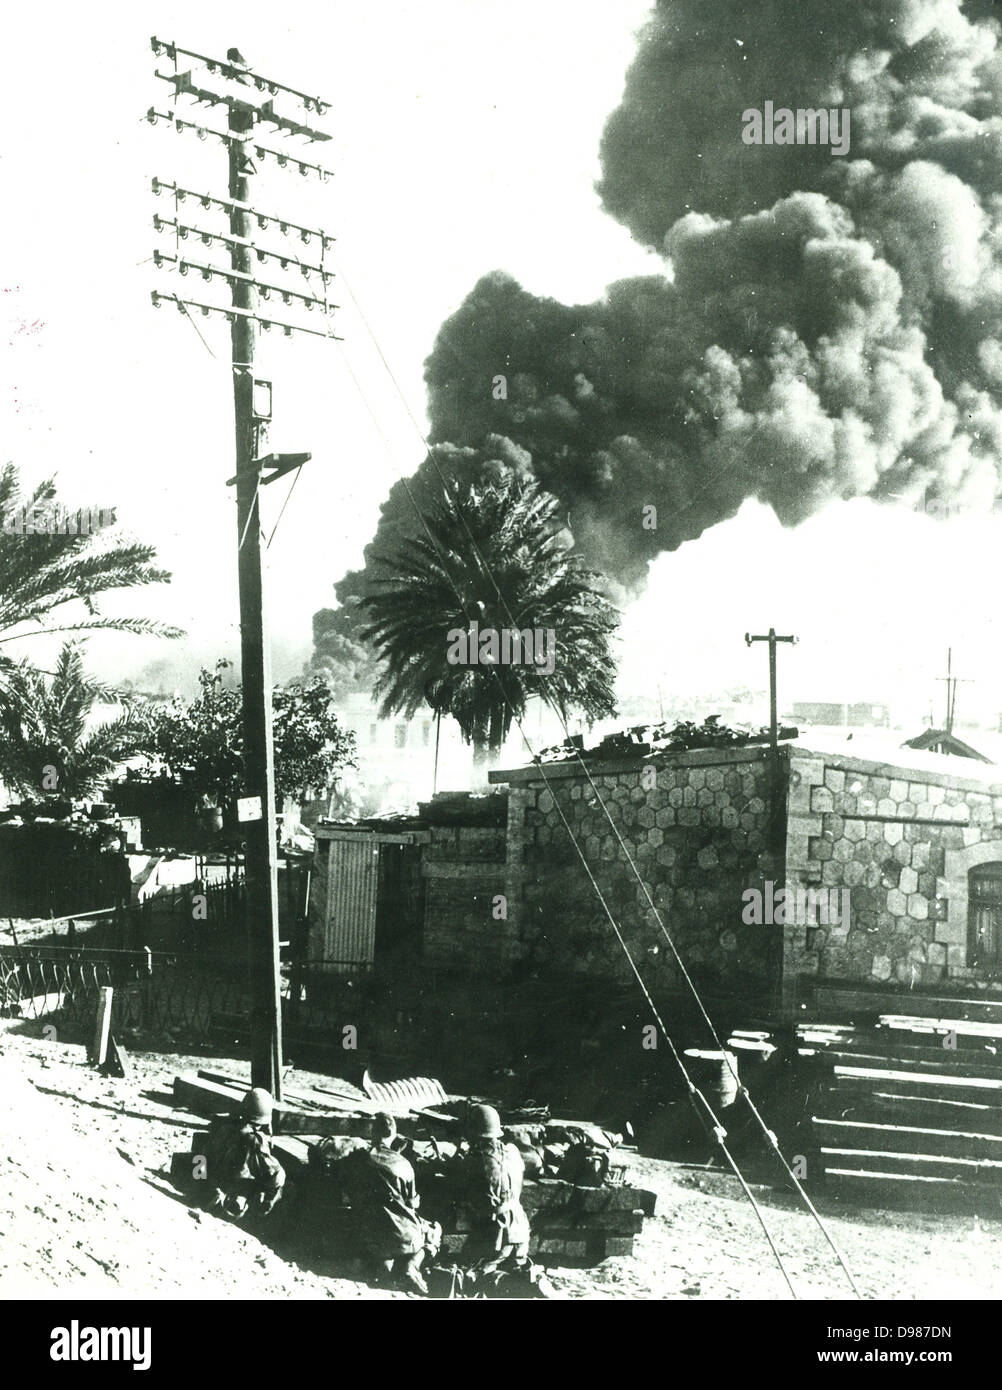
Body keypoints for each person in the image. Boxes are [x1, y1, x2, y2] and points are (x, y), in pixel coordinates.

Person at [348, 1112, 432, 1293]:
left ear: (372, 1133)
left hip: (370, 1235)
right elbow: (412, 1204)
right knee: (433, 1230)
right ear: (393, 1133)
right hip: (402, 1238)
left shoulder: (357, 1160)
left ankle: (382, 1267)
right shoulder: (404, 1164)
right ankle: (411, 1264)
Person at [458, 1103, 531, 1269]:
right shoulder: (512, 1151)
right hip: (520, 1231)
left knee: (465, 1272)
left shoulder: (475, 1160)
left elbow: (457, 1179)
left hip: (496, 1236)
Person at [203, 1087, 286, 1222]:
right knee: (284, 1185)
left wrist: (201, 1182)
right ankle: (258, 1217)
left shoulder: (225, 1128)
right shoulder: (254, 1140)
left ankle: (213, 1193)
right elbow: (275, 1176)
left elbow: (201, 1156)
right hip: (231, 1192)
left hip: (211, 1183)